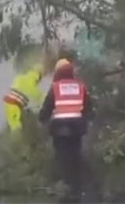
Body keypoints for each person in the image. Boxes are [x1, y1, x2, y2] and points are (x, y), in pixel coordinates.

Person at [38, 58, 94, 203]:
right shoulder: (81, 86)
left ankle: (68, 190)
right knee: (76, 155)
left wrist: (42, 120)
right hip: (77, 128)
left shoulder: (55, 87)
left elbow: (46, 109)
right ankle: (79, 189)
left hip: (60, 130)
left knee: (64, 159)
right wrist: (87, 121)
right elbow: (89, 108)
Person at [3, 67, 44, 133]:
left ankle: (11, 136)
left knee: (11, 122)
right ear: (37, 79)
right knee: (16, 126)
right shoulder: (33, 88)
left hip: (7, 102)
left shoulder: (19, 77)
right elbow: (41, 98)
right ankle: (16, 139)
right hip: (15, 105)